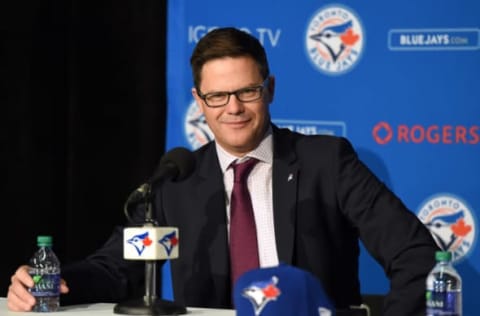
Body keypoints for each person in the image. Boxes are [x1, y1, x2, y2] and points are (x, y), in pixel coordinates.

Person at [7, 27, 439, 315]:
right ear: (199, 101)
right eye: (217, 96)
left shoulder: (326, 162)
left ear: (269, 89)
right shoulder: (177, 181)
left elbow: (416, 254)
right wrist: (52, 280)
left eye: (247, 91)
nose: (233, 108)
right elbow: (114, 268)